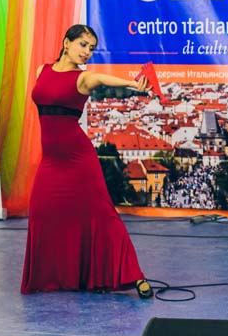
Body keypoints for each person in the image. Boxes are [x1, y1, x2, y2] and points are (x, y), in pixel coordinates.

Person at [21, 24, 154, 298]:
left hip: (78, 159)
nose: (87, 52)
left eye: (91, 48)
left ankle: (135, 275)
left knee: (102, 215)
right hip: (51, 160)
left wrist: (132, 83)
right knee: (41, 213)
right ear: (66, 43)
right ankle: (53, 277)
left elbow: (103, 78)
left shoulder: (83, 78)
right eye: (83, 45)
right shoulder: (42, 71)